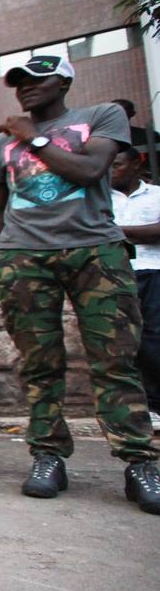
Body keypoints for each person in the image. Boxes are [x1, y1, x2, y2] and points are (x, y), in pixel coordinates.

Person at [0, 55, 160, 512]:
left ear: (64, 80)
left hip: (95, 250)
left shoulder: (102, 116)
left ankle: (139, 462)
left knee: (116, 360)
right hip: (23, 257)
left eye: (37, 80)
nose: (25, 88)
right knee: (40, 366)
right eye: (19, 82)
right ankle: (48, 456)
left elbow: (89, 171)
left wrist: (34, 138)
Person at [110, 145, 160, 432]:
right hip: (117, 273)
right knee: (123, 342)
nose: (110, 170)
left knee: (154, 339)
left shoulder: (156, 195)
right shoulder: (100, 199)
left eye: (116, 164)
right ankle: (135, 407)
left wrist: (116, 230)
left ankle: (155, 404)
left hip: (154, 271)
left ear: (135, 166)